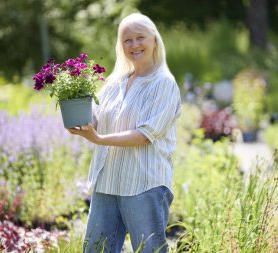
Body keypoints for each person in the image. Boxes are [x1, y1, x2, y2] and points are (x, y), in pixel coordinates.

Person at [67, 13, 181, 253]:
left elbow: (144, 134)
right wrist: (79, 118)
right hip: (108, 181)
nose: (134, 44)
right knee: (96, 251)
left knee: (149, 250)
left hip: (144, 184)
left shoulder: (163, 83)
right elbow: (98, 119)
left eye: (140, 37)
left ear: (154, 41)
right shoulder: (115, 81)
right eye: (127, 40)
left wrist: (98, 140)